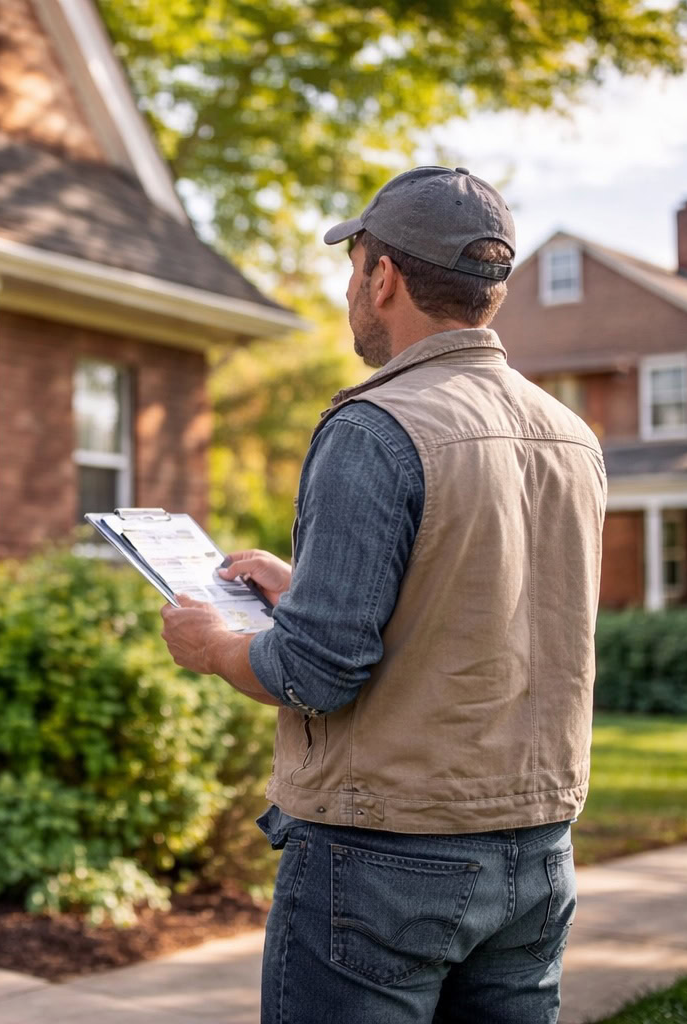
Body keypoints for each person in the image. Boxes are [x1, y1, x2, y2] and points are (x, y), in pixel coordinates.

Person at [159, 166, 606, 1024]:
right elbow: (483, 607)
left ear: (384, 274)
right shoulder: (571, 437)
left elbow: (315, 672)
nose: (351, 290)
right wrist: (310, 588)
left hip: (383, 862)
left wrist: (213, 645)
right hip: (539, 855)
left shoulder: (376, 426)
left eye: (353, 266)